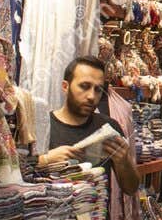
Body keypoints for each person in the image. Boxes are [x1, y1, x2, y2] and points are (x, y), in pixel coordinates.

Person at [38, 56, 140, 196]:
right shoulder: (42, 128)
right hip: (53, 215)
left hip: (98, 215)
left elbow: (131, 189)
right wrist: (46, 160)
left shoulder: (109, 127)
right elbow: (16, 179)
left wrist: (124, 161)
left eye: (98, 90)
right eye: (84, 86)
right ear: (65, 87)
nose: (91, 96)